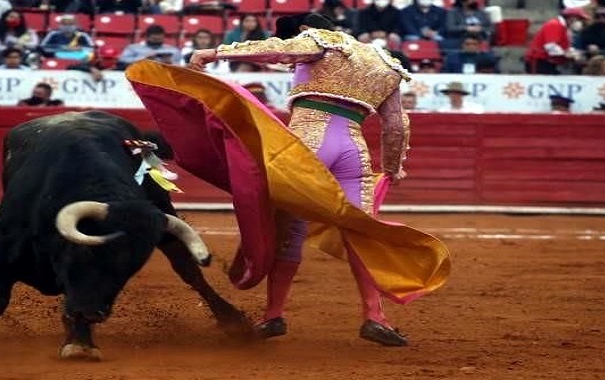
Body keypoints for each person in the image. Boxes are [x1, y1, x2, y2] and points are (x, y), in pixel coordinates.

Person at [190, 13, 420, 346]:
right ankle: (375, 317)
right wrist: (393, 166)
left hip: (308, 143)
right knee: (360, 233)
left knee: (289, 227)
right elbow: (396, 125)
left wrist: (214, 53)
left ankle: (273, 315)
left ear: (303, 30)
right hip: (353, 151)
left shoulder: (320, 40)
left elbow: (275, 51)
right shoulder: (385, 63)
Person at [524, 7, 590, 74]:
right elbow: (551, 46)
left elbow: (565, 47)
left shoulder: (565, 29)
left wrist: (574, 53)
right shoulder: (555, 24)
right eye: (579, 19)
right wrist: (568, 54)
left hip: (548, 62)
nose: (581, 23)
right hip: (539, 61)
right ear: (571, 18)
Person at [116, 25, 182, 70]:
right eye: (154, 39)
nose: (157, 42)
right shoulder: (133, 48)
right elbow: (122, 60)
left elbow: (180, 66)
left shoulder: (172, 50)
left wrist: (170, 63)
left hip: (164, 75)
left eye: (160, 39)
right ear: (146, 37)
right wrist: (144, 59)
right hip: (139, 74)